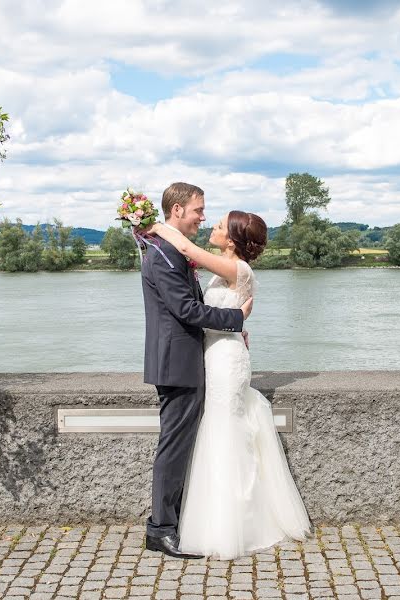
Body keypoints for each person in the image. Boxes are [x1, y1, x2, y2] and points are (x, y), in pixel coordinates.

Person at [145, 209, 312, 560]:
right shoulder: (226, 267)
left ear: (233, 240)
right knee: (215, 432)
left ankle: (231, 522)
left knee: (224, 430)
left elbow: (189, 252)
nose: (211, 225)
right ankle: (209, 518)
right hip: (213, 354)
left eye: (219, 225)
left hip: (225, 361)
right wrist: (236, 323)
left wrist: (153, 226)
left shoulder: (239, 269)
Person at [140, 182, 254, 559]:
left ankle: (173, 522)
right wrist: (235, 317)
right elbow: (186, 311)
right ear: (177, 212)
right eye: (198, 210)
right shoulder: (163, 254)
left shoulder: (170, 250)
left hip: (189, 360)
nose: (203, 217)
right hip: (177, 362)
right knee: (173, 447)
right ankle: (160, 529)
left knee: (182, 444)